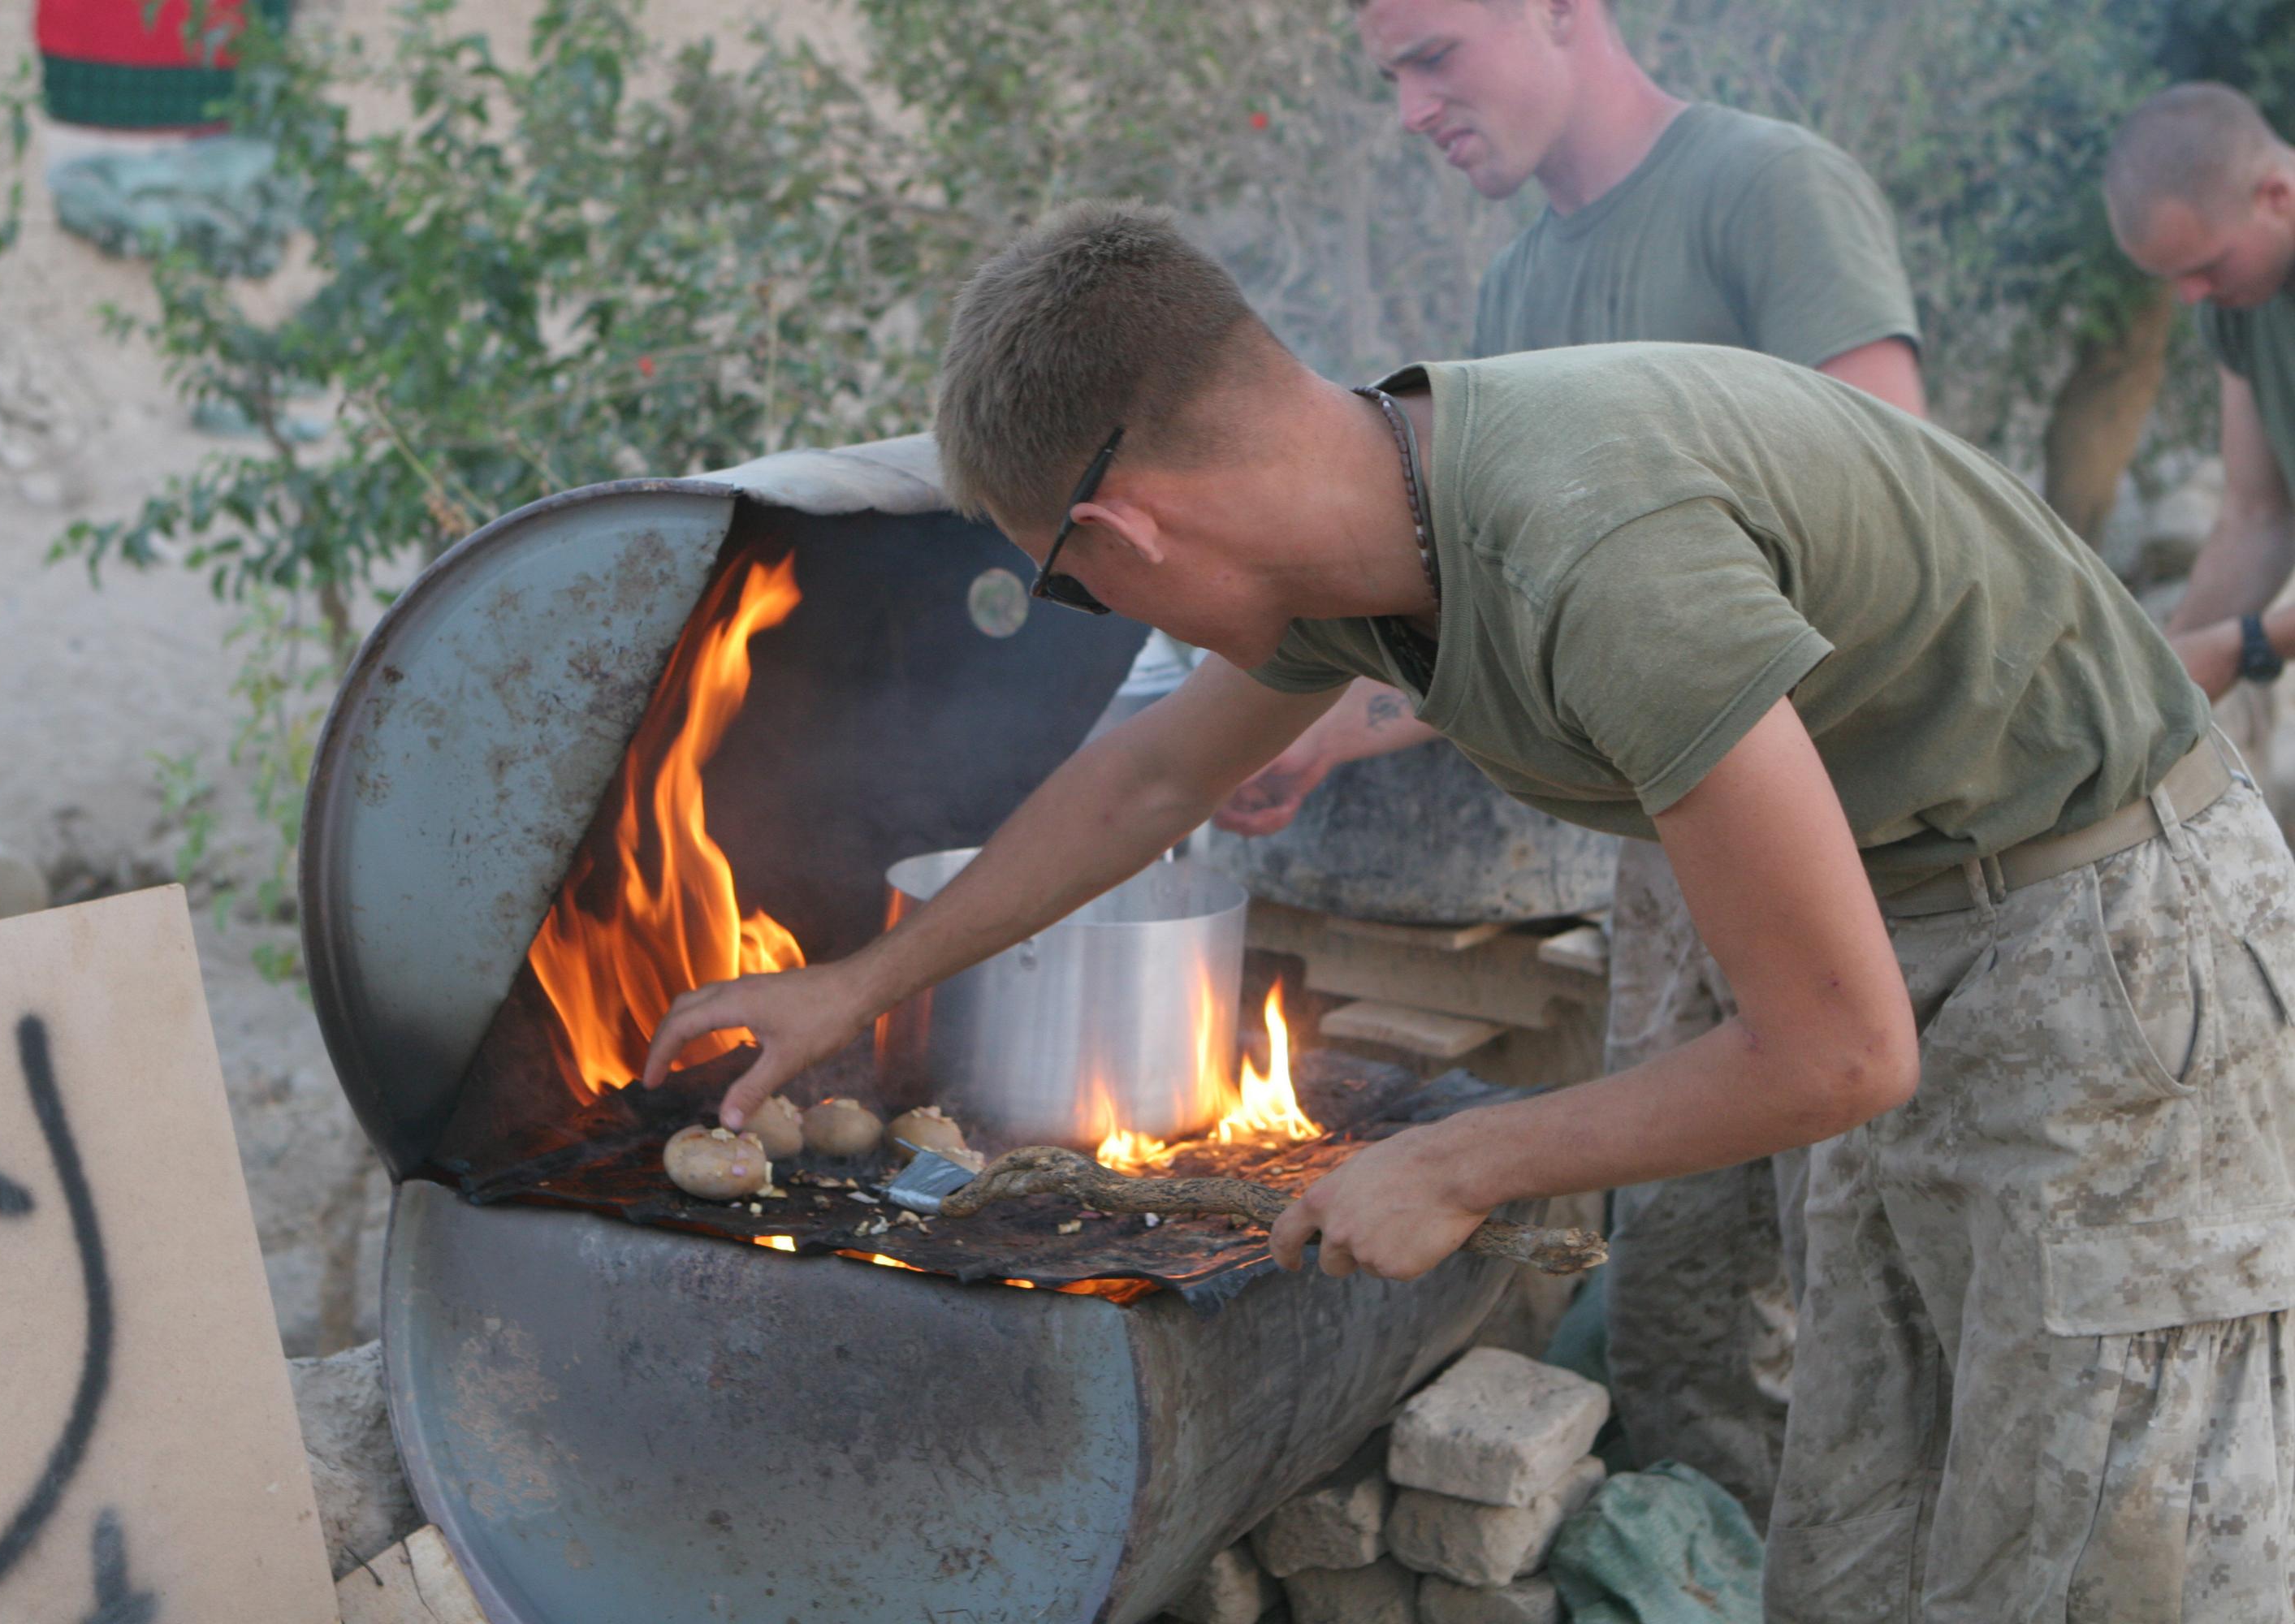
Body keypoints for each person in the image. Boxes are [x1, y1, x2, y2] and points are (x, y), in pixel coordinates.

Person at [650, 204, 2295, 1620]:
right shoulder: (1363, 536)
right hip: (1915, 916)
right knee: (1861, 1521)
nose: (1099, 618)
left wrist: (1454, 1155)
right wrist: (856, 978)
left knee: (2100, 1550)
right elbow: (1143, 785)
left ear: (1128, 526)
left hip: (2105, 952)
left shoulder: (1597, 559)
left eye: (1074, 585)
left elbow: (1839, 1052)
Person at [1218, 0, 1927, 1521]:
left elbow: (1891, 487)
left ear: (1562, 12)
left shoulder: (1766, 185)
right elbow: (1522, 599)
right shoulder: (1524, 278)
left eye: (1432, 57)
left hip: (1855, 847)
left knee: (1856, 1288)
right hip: (1667, 854)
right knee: (1674, 1276)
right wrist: (1344, 729)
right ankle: (1695, 1552)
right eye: (1391, 75)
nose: (1412, 108)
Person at [2107, 83, 2295, 826]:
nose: (2190, 296)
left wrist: (2245, 644)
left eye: (2206, 266)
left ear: (2275, 195)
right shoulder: (2240, 305)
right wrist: (2151, 684)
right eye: (2173, 276)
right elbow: (2257, 516)